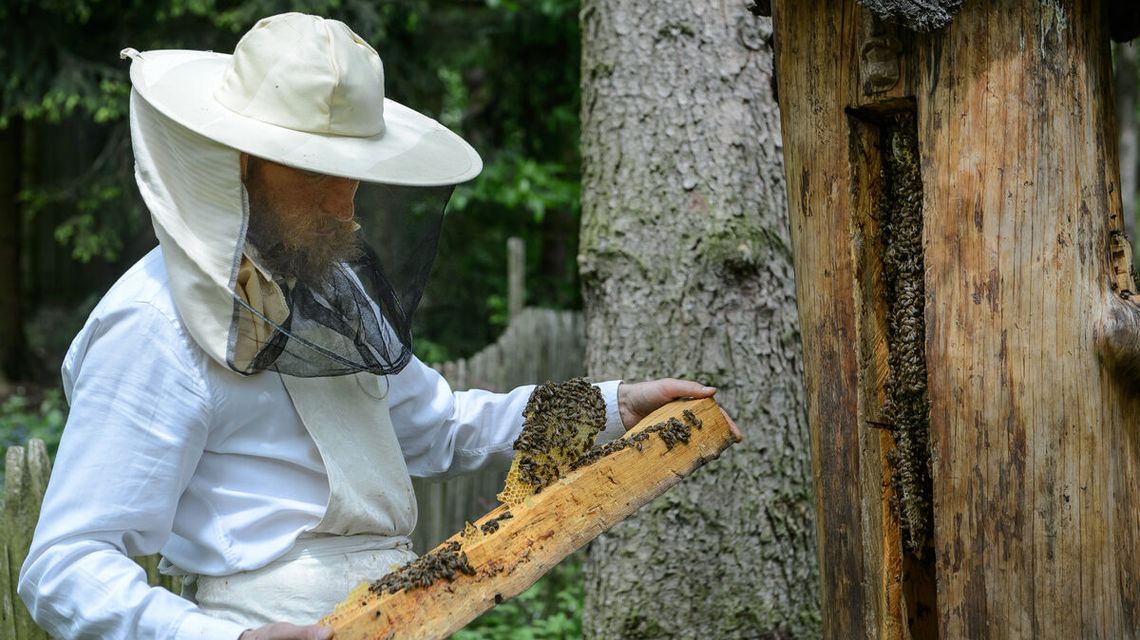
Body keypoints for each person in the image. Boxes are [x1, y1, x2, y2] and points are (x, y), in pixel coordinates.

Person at [17, 12, 731, 640]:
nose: (344, 202)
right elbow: (62, 566)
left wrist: (608, 408)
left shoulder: (333, 291)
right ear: (237, 164)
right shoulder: (151, 324)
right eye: (312, 172)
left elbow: (440, 427)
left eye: (352, 170)